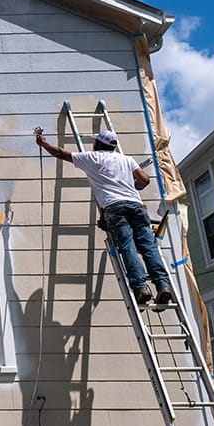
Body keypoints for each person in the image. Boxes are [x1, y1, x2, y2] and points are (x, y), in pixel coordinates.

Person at [35, 129, 174, 308]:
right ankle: (163, 286)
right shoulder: (127, 159)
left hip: (114, 207)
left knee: (127, 246)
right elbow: (145, 180)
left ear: (99, 144)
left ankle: (141, 288)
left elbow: (61, 153)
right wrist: (134, 187)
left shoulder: (92, 157)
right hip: (136, 206)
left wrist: (43, 143)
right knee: (148, 246)